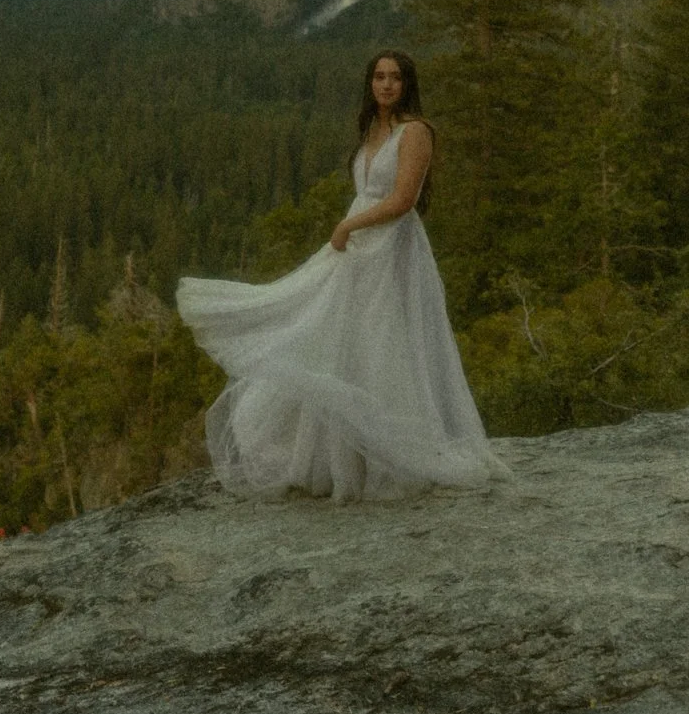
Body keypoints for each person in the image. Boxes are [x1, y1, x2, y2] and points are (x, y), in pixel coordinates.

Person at [176, 49, 506, 501]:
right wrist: (351, 230)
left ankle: (392, 454)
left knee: (386, 340)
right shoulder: (372, 129)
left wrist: (349, 225)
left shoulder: (417, 132)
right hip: (360, 248)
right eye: (379, 77)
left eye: (395, 77)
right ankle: (342, 458)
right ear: (371, 84)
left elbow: (404, 199)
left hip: (392, 249)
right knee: (342, 338)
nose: (387, 85)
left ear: (407, 84)